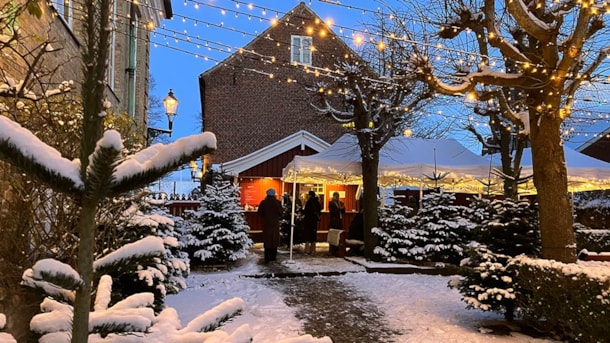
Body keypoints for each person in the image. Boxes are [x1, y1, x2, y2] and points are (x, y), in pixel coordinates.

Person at [257, 188, 283, 263]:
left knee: (267, 240)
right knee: (274, 240)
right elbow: (281, 213)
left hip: (266, 224)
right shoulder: (277, 202)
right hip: (275, 224)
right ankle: (273, 256)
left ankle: (267, 257)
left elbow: (259, 213)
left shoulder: (263, 202)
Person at [302, 190, 321, 255]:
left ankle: (307, 250)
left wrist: (302, 211)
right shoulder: (317, 202)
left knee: (307, 235)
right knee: (313, 235)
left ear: (310, 195)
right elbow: (319, 210)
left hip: (308, 221)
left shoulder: (308, 202)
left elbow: (306, 211)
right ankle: (313, 250)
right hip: (314, 221)